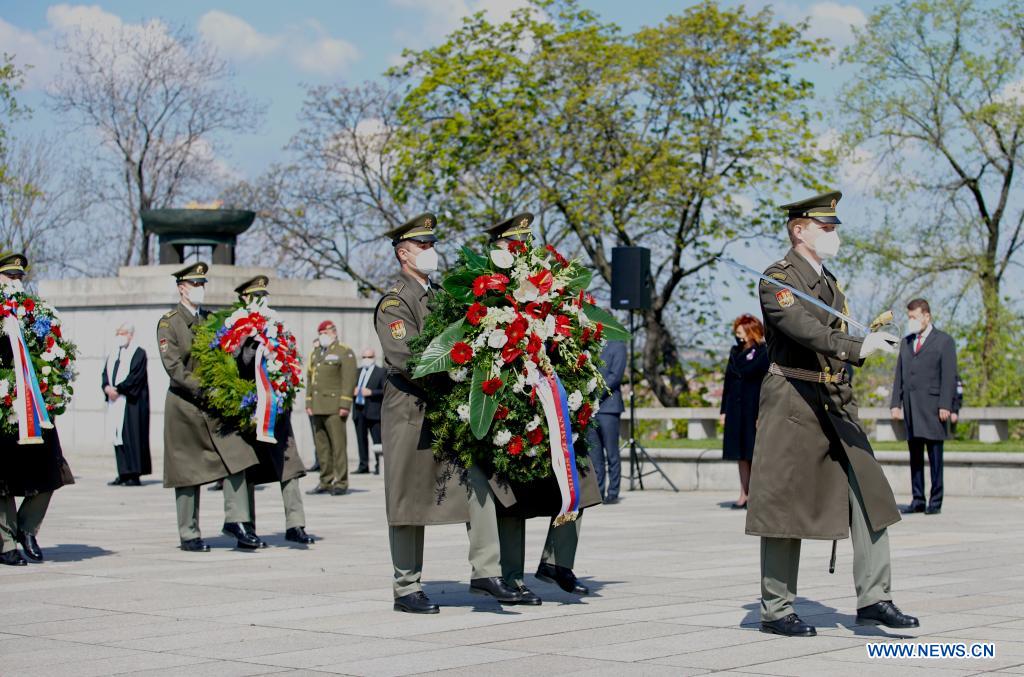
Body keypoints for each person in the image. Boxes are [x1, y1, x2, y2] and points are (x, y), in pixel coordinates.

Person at [746, 191, 919, 637]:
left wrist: (857, 352)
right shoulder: (776, 280)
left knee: (871, 494)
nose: (834, 234)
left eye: (835, 227)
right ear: (799, 230)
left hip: (833, 401)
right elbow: (803, 330)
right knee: (785, 505)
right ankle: (776, 608)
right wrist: (857, 346)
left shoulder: (831, 284)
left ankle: (874, 598)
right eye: (825, 227)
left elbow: (832, 336)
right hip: (792, 399)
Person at [376, 212, 523, 614]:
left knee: (478, 481)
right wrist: (456, 373)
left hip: (448, 409)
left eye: (432, 244)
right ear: (404, 253)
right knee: (408, 497)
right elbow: (406, 357)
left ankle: (485, 571)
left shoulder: (440, 295)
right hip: (410, 409)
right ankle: (406, 587)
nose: (431, 250)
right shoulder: (395, 301)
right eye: (423, 245)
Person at [483, 213, 603, 600]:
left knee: (576, 480)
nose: (523, 249)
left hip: (552, 396)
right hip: (512, 398)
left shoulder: (548, 285)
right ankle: (511, 577)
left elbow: (570, 328)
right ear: (500, 247)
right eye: (515, 243)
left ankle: (557, 562)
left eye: (527, 242)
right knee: (510, 495)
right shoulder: (486, 286)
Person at [157, 262, 262, 551]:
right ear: (182, 288)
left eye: (203, 284)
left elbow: (226, 356)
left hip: (215, 406)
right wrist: (205, 388)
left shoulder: (211, 320)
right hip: (185, 406)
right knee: (187, 472)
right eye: (195, 284)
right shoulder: (169, 322)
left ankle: (237, 521)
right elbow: (174, 368)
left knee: (238, 455)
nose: (201, 289)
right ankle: (189, 533)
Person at [0, 253, 74, 565]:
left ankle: (27, 528)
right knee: (2, 478)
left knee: (51, 470)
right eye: (10, 277)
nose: (16, 283)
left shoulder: (37, 314)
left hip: (35, 406)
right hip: (4, 406)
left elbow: (55, 354)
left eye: (19, 278)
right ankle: (5, 541)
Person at [233, 276, 315, 545]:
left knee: (290, 466)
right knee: (247, 467)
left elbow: (291, 360)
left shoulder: (277, 327)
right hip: (249, 409)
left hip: (277, 408)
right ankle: (247, 526)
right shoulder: (236, 326)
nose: (261, 301)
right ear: (245, 298)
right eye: (255, 296)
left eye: (263, 295)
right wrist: (255, 345)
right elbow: (239, 362)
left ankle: (296, 524)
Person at [889, 298, 958, 516]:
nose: (911, 321)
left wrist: (946, 404)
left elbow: (949, 375)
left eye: (914, 317)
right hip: (911, 407)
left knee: (935, 456)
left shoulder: (944, 341)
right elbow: (899, 374)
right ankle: (918, 499)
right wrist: (895, 403)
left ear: (926, 316)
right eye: (908, 317)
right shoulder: (907, 342)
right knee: (915, 455)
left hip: (934, 407)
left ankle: (935, 501)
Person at [719, 314, 769, 509]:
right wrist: (724, 410)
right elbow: (728, 382)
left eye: (741, 330)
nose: (738, 334)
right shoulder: (735, 351)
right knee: (740, 454)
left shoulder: (764, 352)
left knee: (753, 453)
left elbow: (766, 384)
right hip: (735, 408)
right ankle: (743, 494)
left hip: (753, 407)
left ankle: (757, 495)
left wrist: (762, 413)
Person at [305, 320, 356, 496]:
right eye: (321, 332)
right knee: (322, 447)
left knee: (338, 446)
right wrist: (308, 402)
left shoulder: (344, 351)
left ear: (333, 332)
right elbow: (311, 380)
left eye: (326, 332)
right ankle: (325, 480)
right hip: (318, 406)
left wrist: (345, 404)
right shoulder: (316, 353)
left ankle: (341, 482)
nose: (323, 335)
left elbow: (348, 380)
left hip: (335, 406)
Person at [101, 322, 151, 487]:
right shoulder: (114, 354)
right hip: (115, 401)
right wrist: (107, 387)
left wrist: (119, 389)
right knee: (118, 438)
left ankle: (134, 474)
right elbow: (105, 374)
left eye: (122, 333)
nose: (120, 336)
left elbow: (135, 377)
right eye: (118, 333)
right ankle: (122, 472)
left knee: (132, 437)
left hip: (131, 403)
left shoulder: (138, 353)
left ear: (130, 334)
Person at [589, 340, 626, 504]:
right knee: (595, 454)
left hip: (608, 407)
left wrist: (596, 395)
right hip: (590, 410)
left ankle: (613, 492)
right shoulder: (590, 345)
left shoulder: (618, 346)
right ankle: (598, 491)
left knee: (611, 452)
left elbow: (615, 375)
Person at [352, 348, 385, 474]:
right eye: (364, 357)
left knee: (377, 440)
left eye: (369, 357)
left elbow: (385, 391)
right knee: (361, 439)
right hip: (359, 409)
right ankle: (363, 465)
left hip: (374, 410)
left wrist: (371, 392)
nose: (367, 359)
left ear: (374, 357)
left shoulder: (381, 372)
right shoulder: (357, 372)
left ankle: (379, 465)